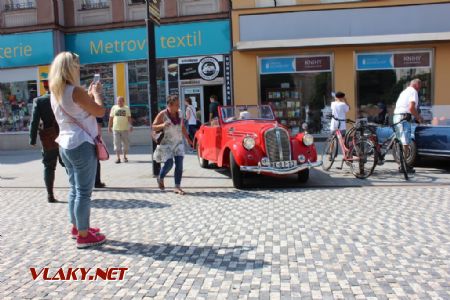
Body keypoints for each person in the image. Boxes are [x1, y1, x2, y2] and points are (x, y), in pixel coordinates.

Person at [49, 51, 106, 248]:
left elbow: (76, 110)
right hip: (81, 144)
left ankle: (77, 227)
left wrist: (88, 96)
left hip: (65, 144)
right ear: (70, 68)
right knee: (84, 192)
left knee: (74, 189)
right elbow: (99, 111)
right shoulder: (75, 90)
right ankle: (83, 235)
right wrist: (97, 95)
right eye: (77, 65)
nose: (79, 68)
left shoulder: (56, 92)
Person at [29, 80, 63, 203]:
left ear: (44, 87)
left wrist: (32, 139)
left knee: (49, 166)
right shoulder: (62, 98)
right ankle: (77, 192)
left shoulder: (39, 101)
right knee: (70, 165)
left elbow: (34, 122)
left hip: (49, 138)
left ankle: (50, 195)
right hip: (65, 135)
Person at [153, 95, 193, 195]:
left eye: (178, 105)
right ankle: (160, 177)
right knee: (169, 164)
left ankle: (177, 186)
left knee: (179, 165)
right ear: (169, 105)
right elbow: (153, 127)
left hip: (178, 142)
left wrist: (188, 139)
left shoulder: (179, 113)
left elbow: (182, 127)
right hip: (166, 144)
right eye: (176, 105)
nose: (178, 107)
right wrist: (162, 125)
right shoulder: (163, 114)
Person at [393, 78, 423, 174]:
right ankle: (403, 165)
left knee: (401, 141)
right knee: (405, 143)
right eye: (420, 86)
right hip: (404, 118)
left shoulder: (404, 92)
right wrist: (418, 118)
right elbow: (411, 107)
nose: (420, 88)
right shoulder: (413, 91)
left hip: (397, 116)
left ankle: (403, 163)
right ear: (416, 85)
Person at [108, 96, 133, 163]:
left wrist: (130, 126)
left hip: (125, 129)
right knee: (116, 143)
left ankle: (124, 157)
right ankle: (118, 158)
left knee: (125, 144)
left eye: (120, 101)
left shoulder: (126, 108)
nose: (119, 102)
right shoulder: (114, 108)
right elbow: (111, 118)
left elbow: (129, 118)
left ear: (123, 101)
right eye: (118, 101)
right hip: (115, 129)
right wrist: (109, 126)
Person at [95, 117, 106, 188]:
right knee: (96, 162)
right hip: (92, 139)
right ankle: (97, 182)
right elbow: (99, 125)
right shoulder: (94, 108)